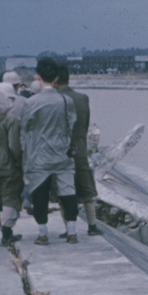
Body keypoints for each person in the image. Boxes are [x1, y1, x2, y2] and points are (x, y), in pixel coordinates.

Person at [19, 58, 79, 246]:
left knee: (40, 195)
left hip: (39, 156)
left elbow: (25, 126)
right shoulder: (66, 100)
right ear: (56, 77)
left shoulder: (32, 102)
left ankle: (43, 234)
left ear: (38, 76)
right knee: (68, 193)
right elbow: (72, 123)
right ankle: (72, 232)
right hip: (63, 155)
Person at [55, 65, 101, 236]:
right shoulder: (83, 98)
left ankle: (69, 229)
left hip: (60, 152)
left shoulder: (56, 99)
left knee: (63, 191)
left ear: (54, 81)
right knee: (87, 188)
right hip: (80, 149)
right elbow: (85, 124)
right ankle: (92, 226)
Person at [0, 82, 24, 245]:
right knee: (10, 195)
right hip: (7, 162)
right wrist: (20, 161)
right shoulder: (11, 117)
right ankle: (7, 233)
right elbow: (14, 145)